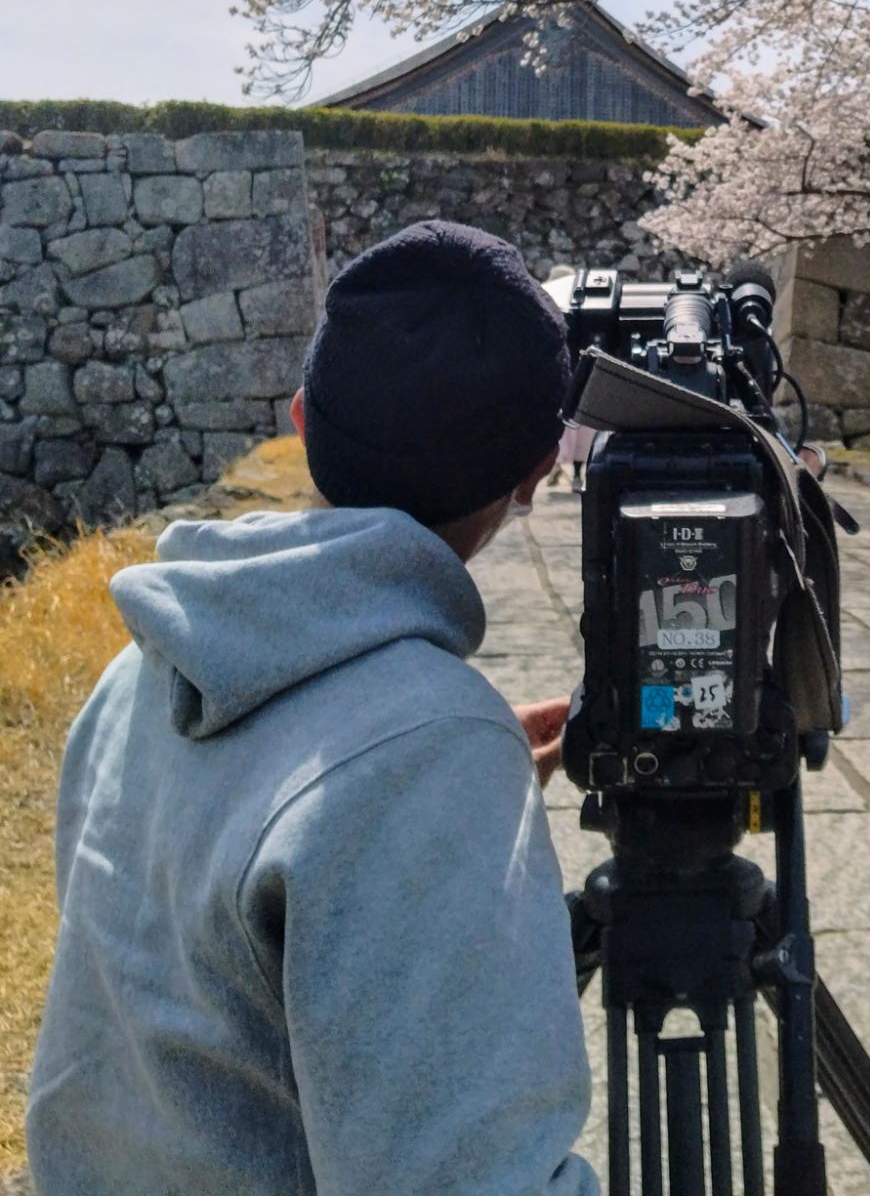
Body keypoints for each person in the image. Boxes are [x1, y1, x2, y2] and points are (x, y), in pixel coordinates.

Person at [26, 221, 597, 1196]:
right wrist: (439, 774)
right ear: (542, 466)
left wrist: (450, 775)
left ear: (300, 418)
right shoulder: (427, 748)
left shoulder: (145, 662)